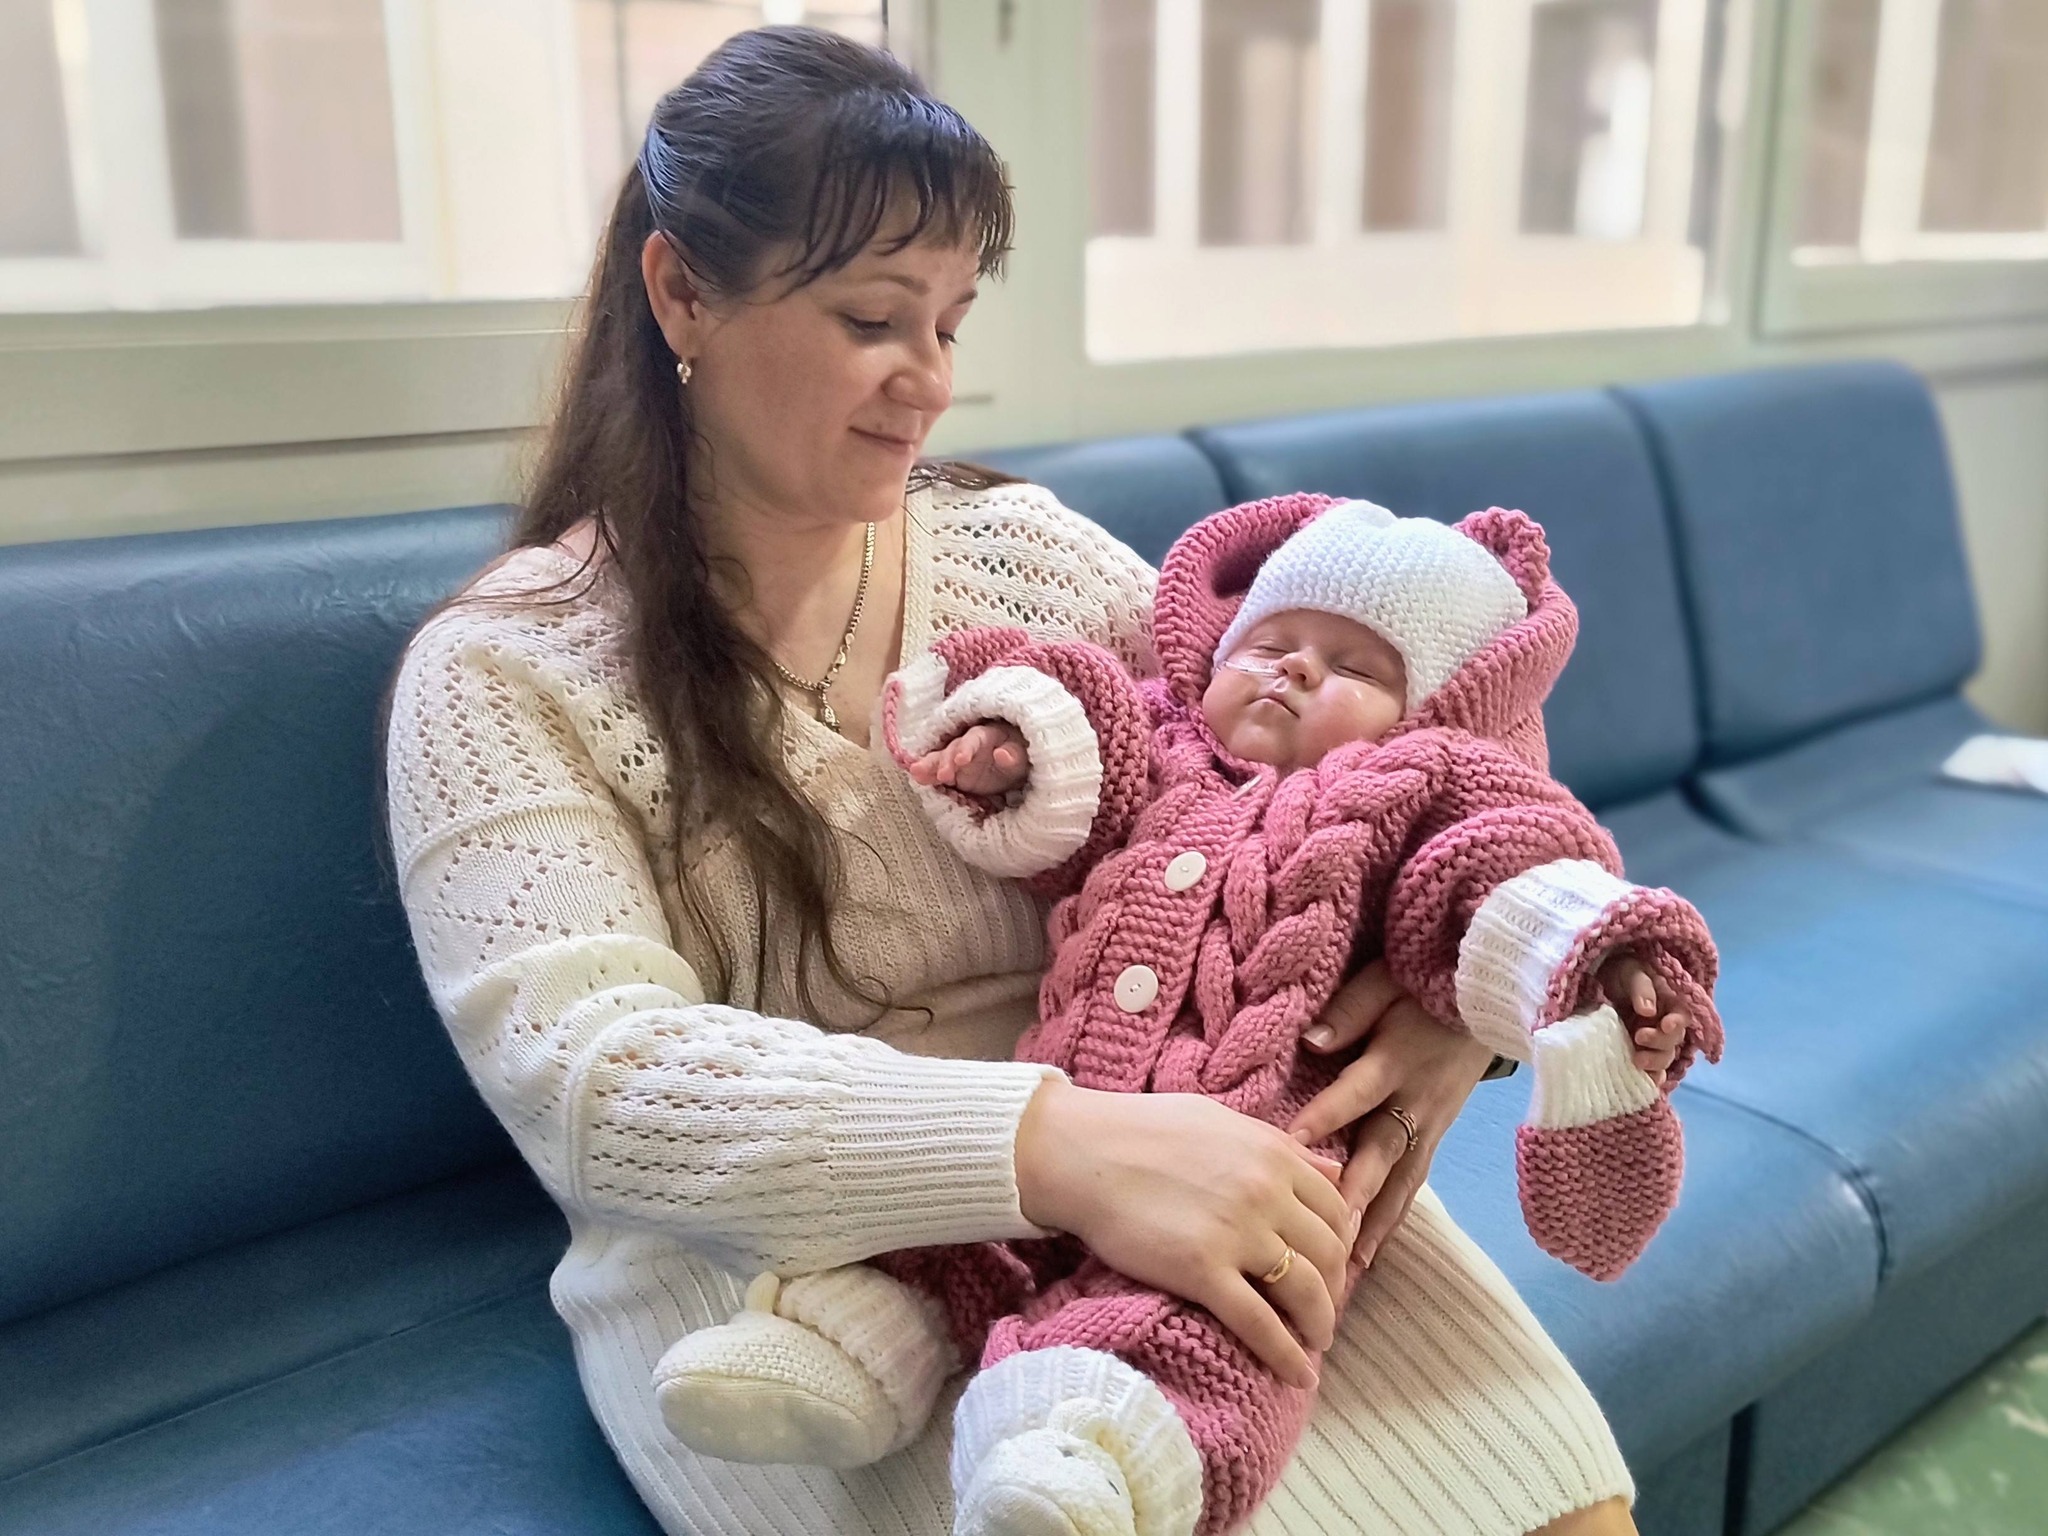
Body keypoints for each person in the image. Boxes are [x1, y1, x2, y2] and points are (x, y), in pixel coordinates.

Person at [385, 25, 1645, 1536]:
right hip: (800, 1275)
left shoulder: (1022, 551)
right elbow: (595, 1085)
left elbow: (1429, 755)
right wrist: (1061, 1152)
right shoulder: (504, 671)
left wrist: (1459, 1022)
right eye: (872, 318)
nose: (927, 382)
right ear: (682, 293)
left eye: (951, 323)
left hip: (1211, 1133)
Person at [648, 499, 1723, 1536]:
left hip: (1268, 1178)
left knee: (1212, 1331)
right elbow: (1074, 742)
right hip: (1040, 1106)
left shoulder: (1409, 785)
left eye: (1354, 668)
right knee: (952, 1238)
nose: (1295, 669)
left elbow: (1500, 866)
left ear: (1427, 713)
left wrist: (1581, 967)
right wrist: (1008, 740)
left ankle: (1089, 1457)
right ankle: (847, 1344)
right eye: (1272, 644)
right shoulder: (1165, 737)